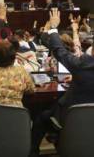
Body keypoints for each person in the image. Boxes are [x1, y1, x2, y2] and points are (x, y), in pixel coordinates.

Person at [30, 9, 94, 157]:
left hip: (70, 119)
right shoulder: (83, 67)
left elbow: (60, 51)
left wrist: (53, 28)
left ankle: (33, 152)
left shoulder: (82, 65)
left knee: (41, 118)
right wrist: (77, 77)